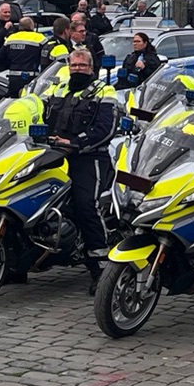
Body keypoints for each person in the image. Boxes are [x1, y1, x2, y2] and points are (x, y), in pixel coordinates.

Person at [43, 48, 119, 292]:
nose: (77, 69)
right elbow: (41, 114)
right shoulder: (58, 88)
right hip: (54, 153)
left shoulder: (104, 91)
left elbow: (106, 129)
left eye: (81, 66)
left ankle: (100, 267)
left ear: (91, 68)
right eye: (73, 65)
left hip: (89, 156)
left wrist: (77, 143)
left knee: (86, 204)